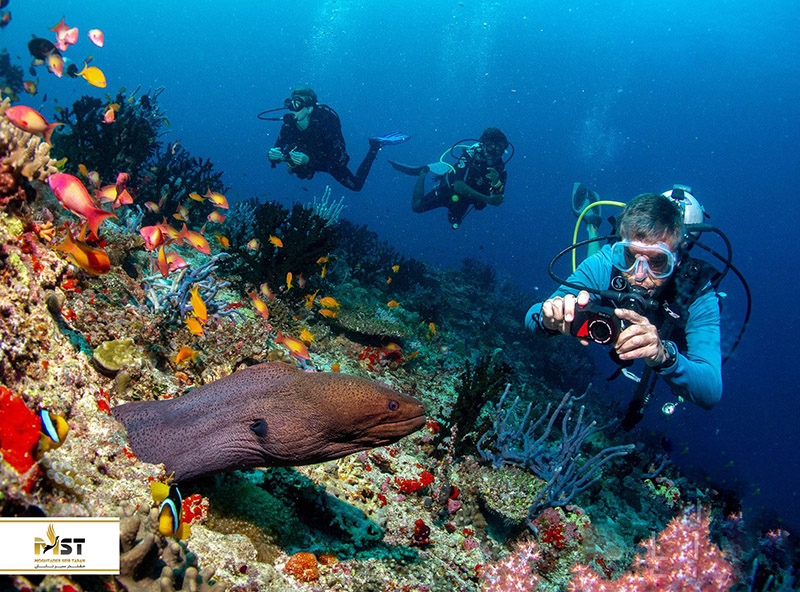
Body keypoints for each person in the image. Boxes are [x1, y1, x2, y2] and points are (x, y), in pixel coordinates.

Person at [526, 193, 722, 416]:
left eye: (658, 262)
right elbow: (533, 315)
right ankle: (593, 229)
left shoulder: (697, 293)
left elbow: (711, 390)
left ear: (677, 258)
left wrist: (664, 356)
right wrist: (549, 319)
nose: (639, 275)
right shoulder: (604, 263)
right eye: (629, 256)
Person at [267, 87, 409, 192]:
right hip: (306, 159)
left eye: (297, 104)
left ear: (309, 109)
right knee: (298, 170)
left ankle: (374, 146)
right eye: (290, 104)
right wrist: (274, 156)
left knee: (356, 186)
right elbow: (278, 148)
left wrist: (309, 160)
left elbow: (339, 160)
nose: (292, 109)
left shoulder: (325, 124)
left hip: (329, 160)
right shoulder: (288, 127)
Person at [389, 127, 510, 230]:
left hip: (466, 200)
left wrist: (496, 182)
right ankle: (423, 172)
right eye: (490, 146)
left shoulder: (500, 168)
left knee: (454, 221)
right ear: (483, 145)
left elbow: (498, 198)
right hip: (447, 190)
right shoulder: (470, 155)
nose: (493, 152)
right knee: (416, 207)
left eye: (498, 148)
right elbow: (458, 186)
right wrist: (487, 199)